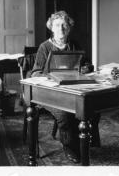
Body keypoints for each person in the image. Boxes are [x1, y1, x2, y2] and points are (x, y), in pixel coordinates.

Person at [31, 10, 100, 164]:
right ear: (51, 28)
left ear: (69, 28)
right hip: (49, 92)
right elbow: (35, 72)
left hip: (72, 90)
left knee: (94, 107)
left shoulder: (74, 44)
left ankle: (88, 141)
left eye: (64, 25)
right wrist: (50, 77)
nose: (61, 28)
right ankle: (70, 147)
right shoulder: (45, 47)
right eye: (57, 25)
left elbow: (87, 64)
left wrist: (86, 68)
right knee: (65, 114)